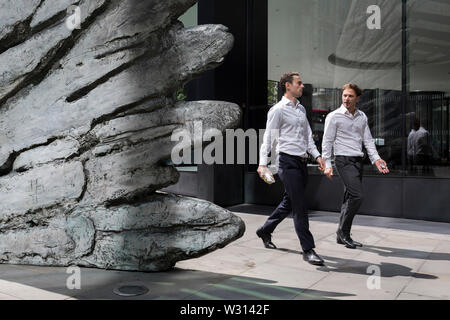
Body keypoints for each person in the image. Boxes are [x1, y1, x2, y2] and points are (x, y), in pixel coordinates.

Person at [256, 72, 326, 266]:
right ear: (288, 86)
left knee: (289, 201)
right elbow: (268, 139)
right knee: (300, 205)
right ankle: (308, 249)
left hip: (302, 162)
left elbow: (307, 137)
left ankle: (265, 230)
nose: (302, 86)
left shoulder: (301, 109)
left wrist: (318, 156)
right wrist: (262, 164)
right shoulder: (277, 110)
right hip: (287, 162)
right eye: (299, 83)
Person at [322, 83, 389, 249]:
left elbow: (367, 141)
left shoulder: (362, 117)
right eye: (344, 95)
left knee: (349, 198)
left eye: (350, 96)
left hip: (357, 161)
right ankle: (344, 233)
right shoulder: (334, 116)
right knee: (357, 196)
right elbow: (327, 141)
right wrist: (327, 164)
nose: (346, 99)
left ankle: (341, 234)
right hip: (343, 160)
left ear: (357, 98)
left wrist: (376, 159)